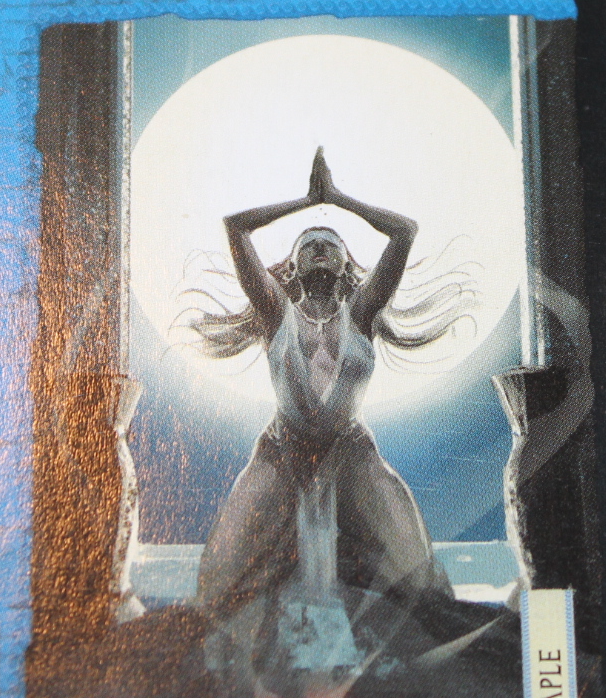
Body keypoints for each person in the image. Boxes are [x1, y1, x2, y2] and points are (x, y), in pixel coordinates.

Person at [190, 150, 464, 621]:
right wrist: (305, 201)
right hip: (281, 447)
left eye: (330, 242)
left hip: (351, 448)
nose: (319, 246)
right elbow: (236, 228)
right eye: (309, 243)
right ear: (293, 266)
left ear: (345, 265)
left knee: (417, 573)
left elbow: (404, 232)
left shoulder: (361, 314)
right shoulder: (276, 313)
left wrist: (336, 198)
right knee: (219, 575)